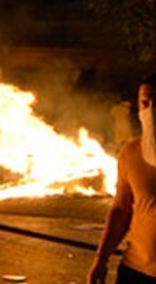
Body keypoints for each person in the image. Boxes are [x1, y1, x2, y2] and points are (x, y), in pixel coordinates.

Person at [90, 74, 156, 284]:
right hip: (136, 271)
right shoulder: (130, 154)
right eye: (145, 102)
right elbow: (121, 210)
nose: (151, 110)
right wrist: (101, 259)